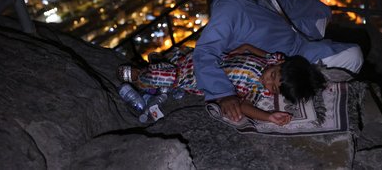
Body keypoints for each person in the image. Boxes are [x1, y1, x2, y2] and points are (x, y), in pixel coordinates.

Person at [193, 0, 363, 122]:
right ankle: (297, 91)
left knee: (354, 47)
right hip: (280, 68)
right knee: (353, 56)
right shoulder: (229, 6)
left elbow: (284, 6)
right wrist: (223, 94)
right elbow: (204, 51)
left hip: (297, 44)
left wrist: (322, 9)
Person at [117, 44, 325, 126]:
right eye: (272, 75)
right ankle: (161, 62)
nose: (266, 81)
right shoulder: (272, 59)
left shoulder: (255, 90)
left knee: (171, 76)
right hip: (210, 60)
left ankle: (140, 76)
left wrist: (268, 117)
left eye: (274, 87)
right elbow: (250, 49)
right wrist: (239, 49)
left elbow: (243, 106)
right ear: (279, 63)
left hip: (194, 78)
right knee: (185, 52)